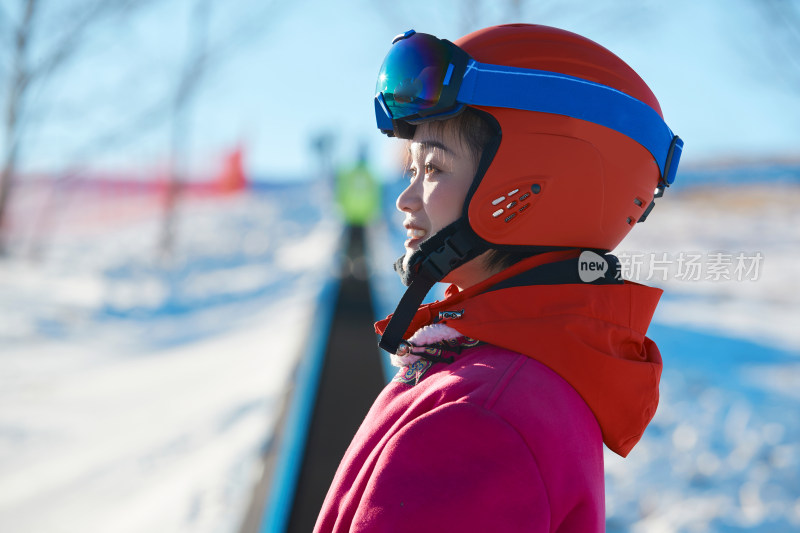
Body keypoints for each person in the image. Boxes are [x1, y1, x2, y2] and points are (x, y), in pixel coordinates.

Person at [314, 23, 682, 532]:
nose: (406, 199)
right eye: (412, 170)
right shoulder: (509, 381)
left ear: (530, 186)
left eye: (435, 168)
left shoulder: (477, 421)